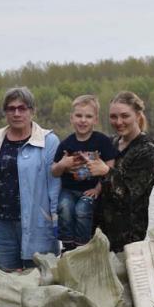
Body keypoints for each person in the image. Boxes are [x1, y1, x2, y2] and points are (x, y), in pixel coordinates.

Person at [0, 87, 60, 270]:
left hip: (38, 224)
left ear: (32, 111)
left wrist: (57, 220)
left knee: (40, 282)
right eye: (11, 108)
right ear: (5, 112)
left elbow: (55, 187)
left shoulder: (48, 141)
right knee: (4, 284)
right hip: (1, 225)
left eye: (22, 108)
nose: (16, 113)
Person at [87, 91, 154, 252]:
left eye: (125, 116)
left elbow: (130, 195)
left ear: (137, 115)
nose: (118, 122)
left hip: (127, 239)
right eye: (113, 117)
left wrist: (106, 171)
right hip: (97, 234)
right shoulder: (109, 143)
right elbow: (90, 178)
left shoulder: (149, 152)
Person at [51, 95, 117, 252]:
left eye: (88, 116)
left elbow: (110, 166)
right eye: (79, 116)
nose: (83, 120)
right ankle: (67, 245)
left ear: (95, 120)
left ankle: (82, 246)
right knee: (64, 207)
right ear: (71, 118)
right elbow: (54, 171)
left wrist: (98, 189)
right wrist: (62, 164)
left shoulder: (102, 141)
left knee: (82, 210)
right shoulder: (66, 143)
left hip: (91, 189)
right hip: (68, 190)